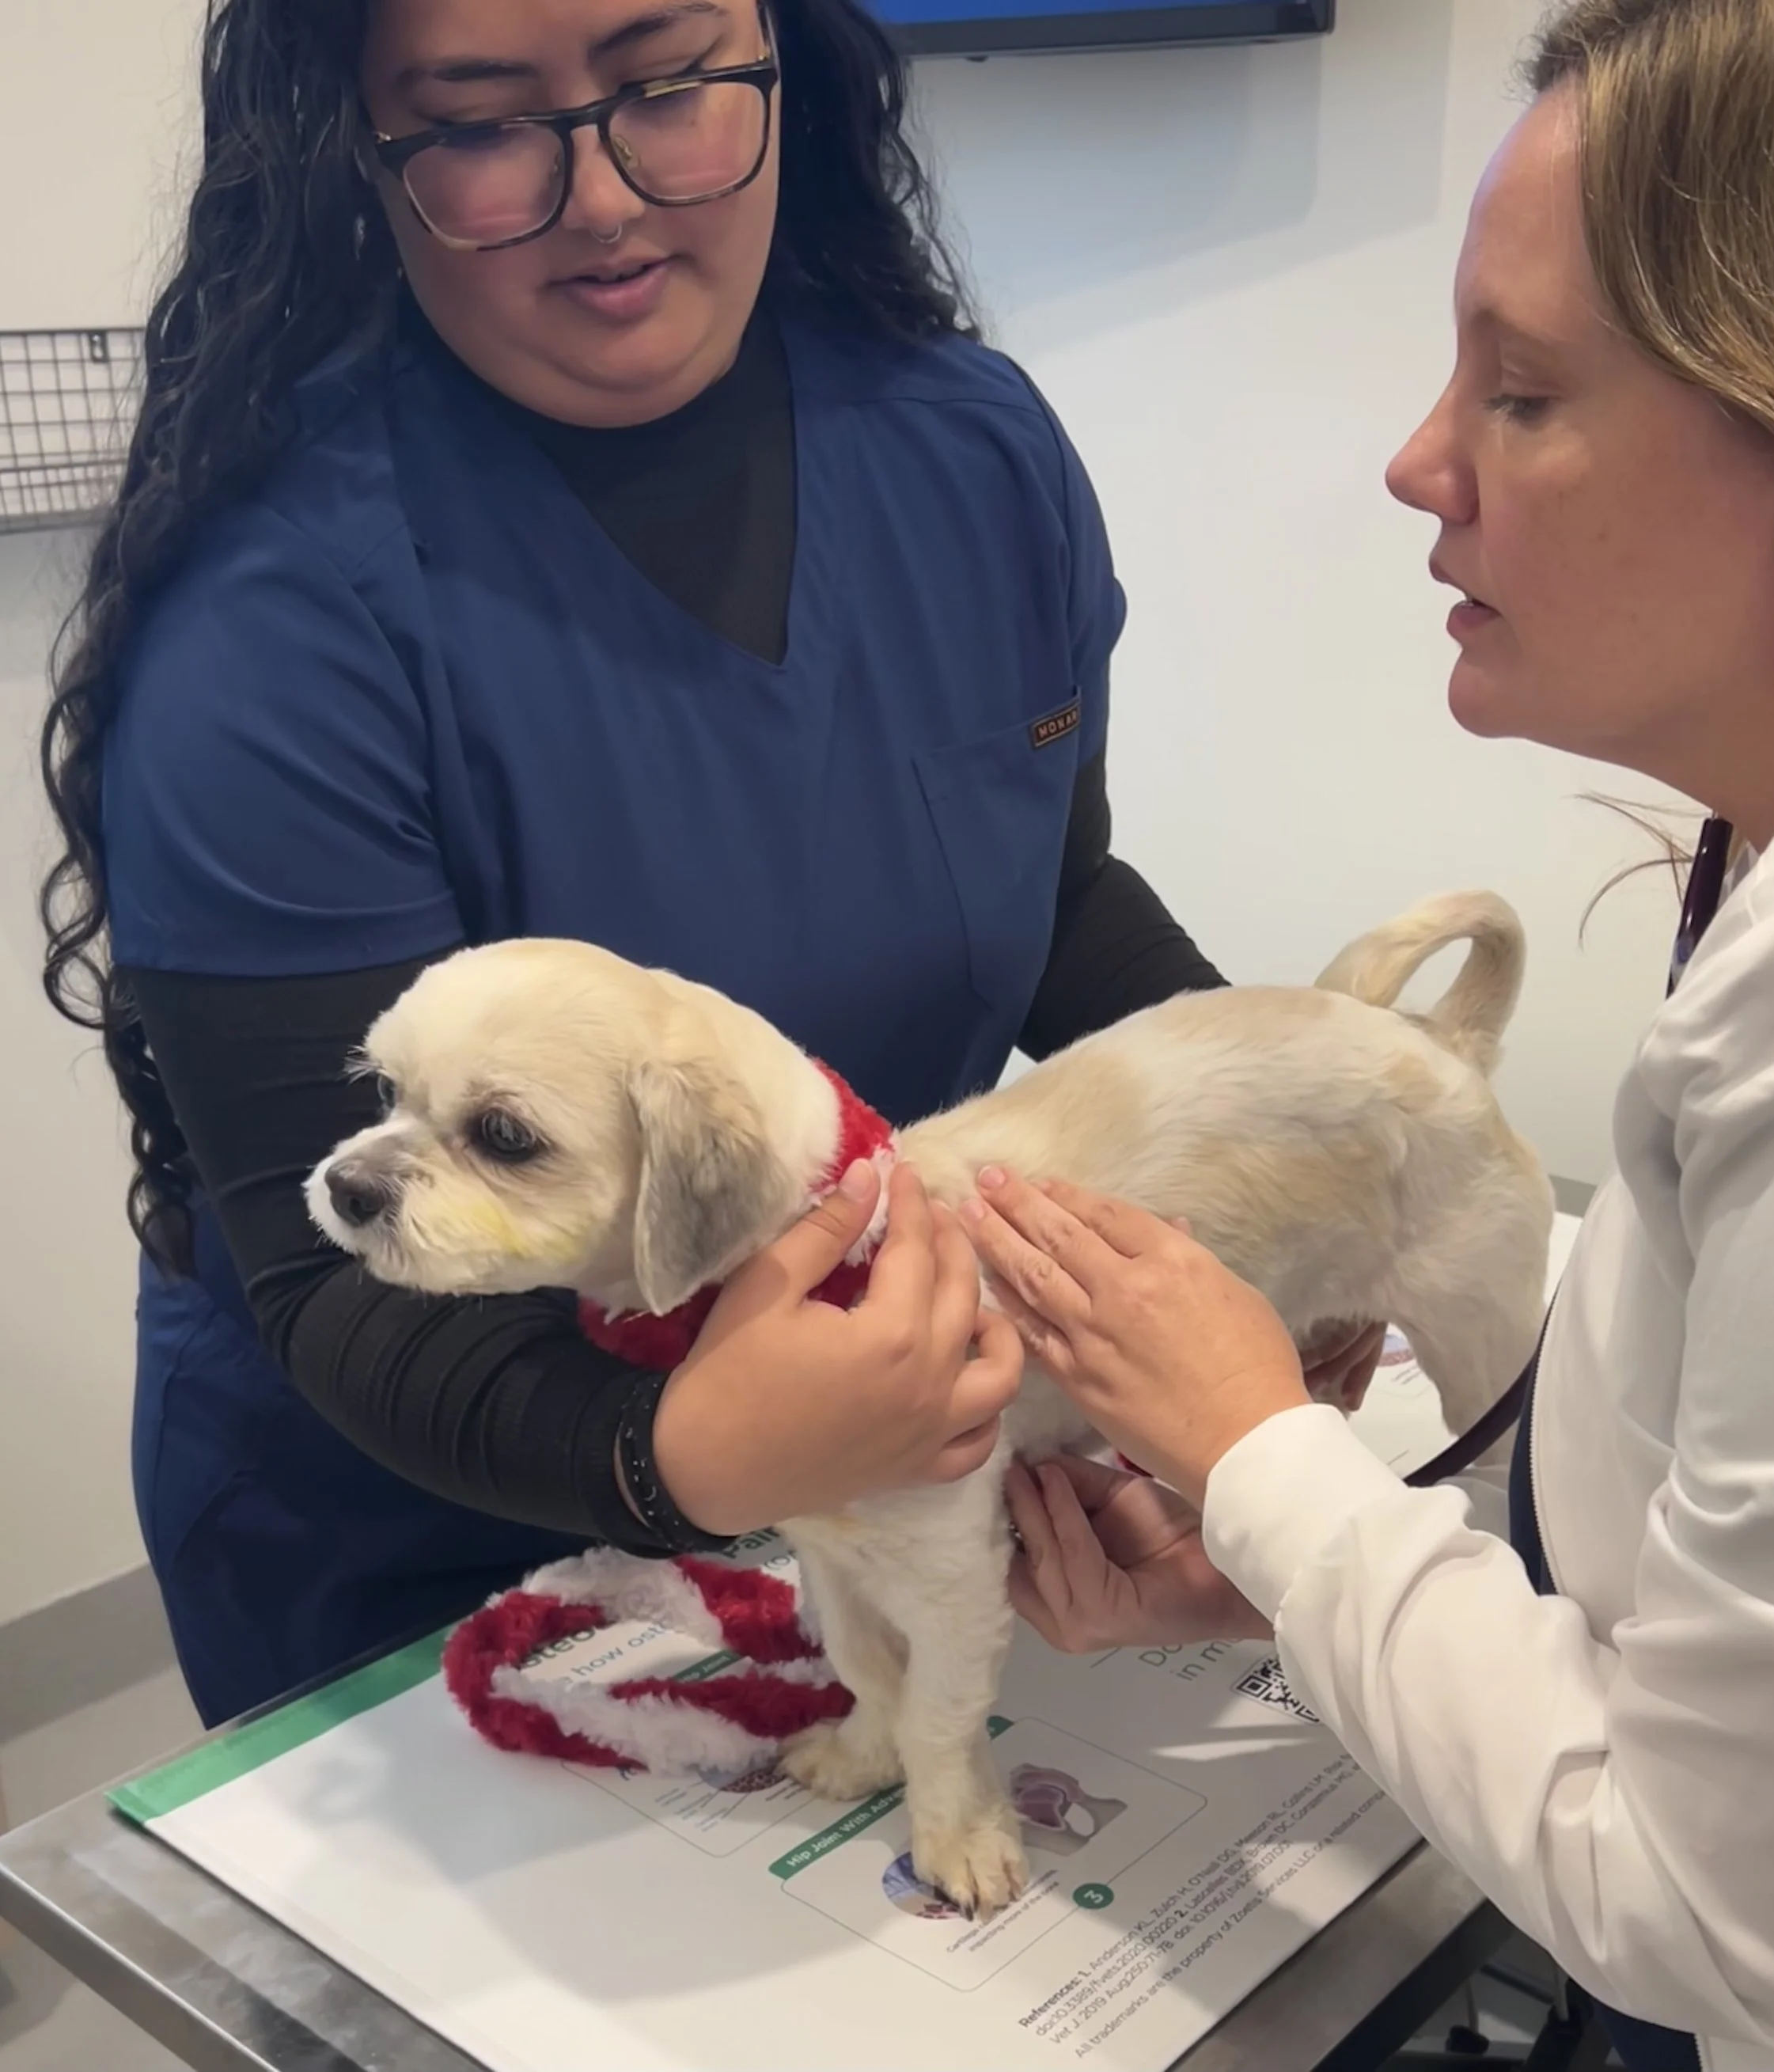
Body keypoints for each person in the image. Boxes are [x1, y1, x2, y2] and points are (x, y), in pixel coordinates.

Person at [36, 0, 1270, 1730]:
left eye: (669, 88)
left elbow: (1054, 905)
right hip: (419, 1500)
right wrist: (677, 1454)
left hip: (869, 1437)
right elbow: (328, 1257)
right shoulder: (273, 620)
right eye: (479, 123)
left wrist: (1256, 1185)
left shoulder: (970, 456)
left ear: (785, 70)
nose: (603, 196)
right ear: (356, 157)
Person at [962, 3, 1774, 2069]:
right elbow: (1735, 1613)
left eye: (1516, 395)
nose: (1416, 462)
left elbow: (1729, 1919)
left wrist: (1262, 1453)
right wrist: (1276, 1583)